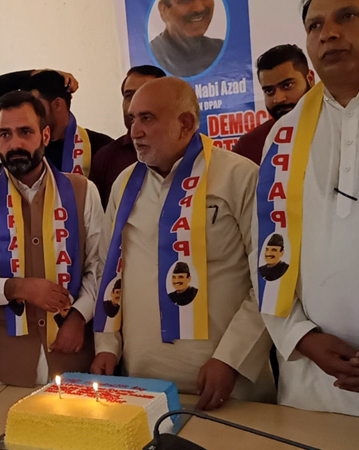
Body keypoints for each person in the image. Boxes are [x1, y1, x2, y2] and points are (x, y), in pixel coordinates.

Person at [90, 77, 275, 411]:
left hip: (225, 382)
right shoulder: (124, 185)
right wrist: (106, 345)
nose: (134, 131)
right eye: (132, 119)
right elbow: (110, 271)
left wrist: (232, 358)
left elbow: (269, 279)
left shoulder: (239, 176)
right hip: (144, 382)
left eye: (147, 118)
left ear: (185, 123)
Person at [255, 0, 359, 422]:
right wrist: (300, 336)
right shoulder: (283, 135)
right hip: (315, 386)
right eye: (315, 24)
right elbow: (265, 251)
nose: (328, 32)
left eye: (347, 16)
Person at [0, 91, 105, 387]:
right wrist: (18, 287)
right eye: (5, 134)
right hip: (1, 365)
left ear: (45, 135)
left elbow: (99, 267)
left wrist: (78, 316)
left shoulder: (83, 192)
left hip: (73, 352)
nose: (15, 144)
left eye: (25, 132)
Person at [0, 69, 114, 176]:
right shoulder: (30, 145)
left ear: (57, 104)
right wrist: (37, 73)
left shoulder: (100, 146)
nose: (30, 110)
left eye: (36, 103)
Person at [90, 65, 166, 206]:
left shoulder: (186, 153)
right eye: (129, 96)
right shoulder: (106, 157)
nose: (134, 103)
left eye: (144, 94)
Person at [232, 45, 315, 164]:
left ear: (310, 79)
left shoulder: (339, 126)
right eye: (269, 91)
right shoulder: (248, 146)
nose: (279, 99)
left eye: (287, 86)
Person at [151, 0, 224, 78]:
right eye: (186, 1)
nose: (200, 8)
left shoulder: (224, 51)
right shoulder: (150, 60)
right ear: (163, 9)